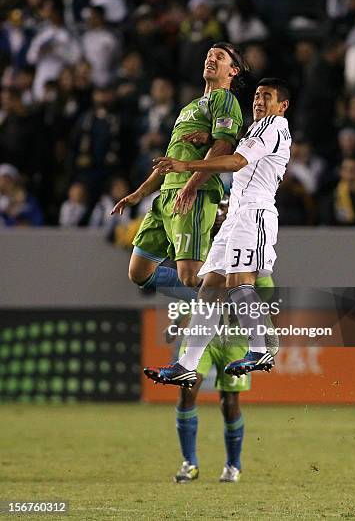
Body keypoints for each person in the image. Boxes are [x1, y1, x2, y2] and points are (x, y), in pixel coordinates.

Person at [145, 77, 291, 387]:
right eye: (256, 95)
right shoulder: (258, 129)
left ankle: (260, 347)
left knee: (240, 282)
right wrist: (208, 137)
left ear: (282, 105)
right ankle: (186, 364)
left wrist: (188, 166)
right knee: (209, 289)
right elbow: (241, 148)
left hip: (254, 214)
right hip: (236, 216)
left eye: (267, 96)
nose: (259, 101)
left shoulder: (273, 126)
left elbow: (237, 161)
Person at [111, 42, 246, 299]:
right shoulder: (189, 108)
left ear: (233, 71)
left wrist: (191, 186)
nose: (211, 59)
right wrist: (138, 194)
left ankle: (236, 303)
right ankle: (210, 302)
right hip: (167, 195)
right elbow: (169, 159)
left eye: (220, 57)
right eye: (209, 55)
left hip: (194, 192)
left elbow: (223, 146)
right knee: (139, 272)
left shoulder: (225, 100)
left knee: (191, 275)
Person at [169, 196, 276, 483]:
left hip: (235, 340)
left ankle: (233, 464)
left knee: (229, 403)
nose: (220, 214)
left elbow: (263, 296)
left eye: (225, 209)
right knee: (186, 389)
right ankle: (188, 463)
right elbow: (191, 288)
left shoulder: (250, 247)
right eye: (218, 209)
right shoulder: (203, 249)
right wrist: (184, 317)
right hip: (203, 337)